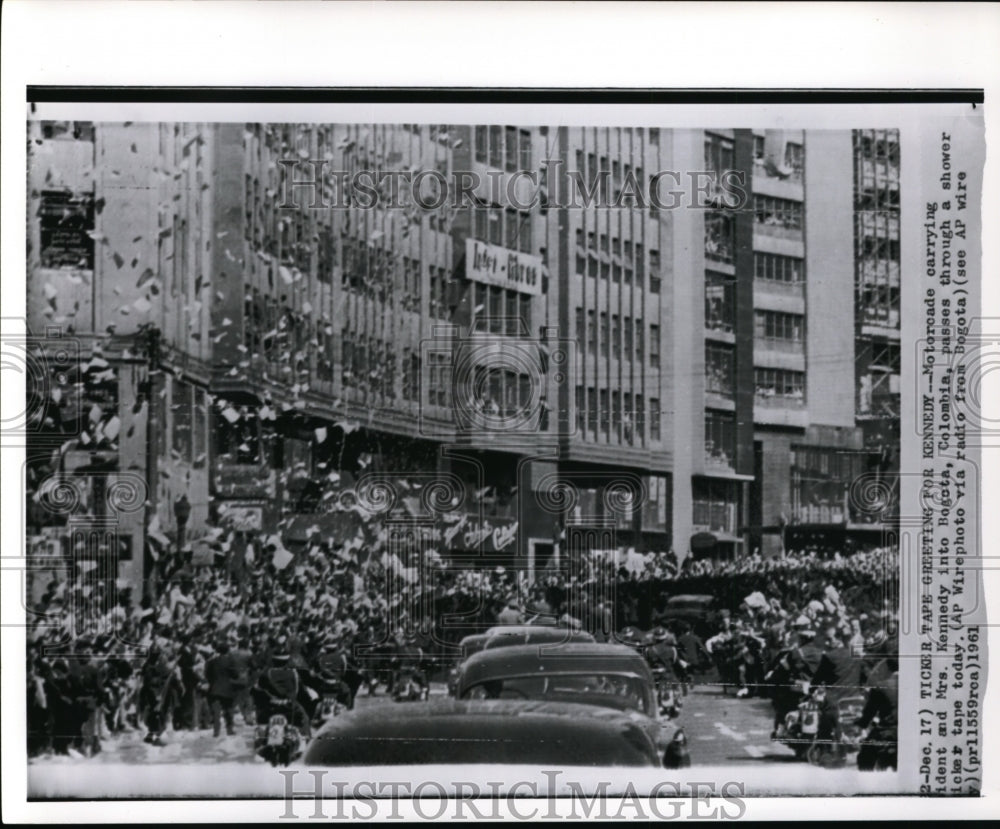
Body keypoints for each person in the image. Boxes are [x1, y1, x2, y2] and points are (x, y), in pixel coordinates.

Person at [205, 639, 239, 737]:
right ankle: (229, 729)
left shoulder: (212, 661)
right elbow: (235, 675)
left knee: (216, 712)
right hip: (227, 688)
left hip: (214, 688)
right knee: (228, 710)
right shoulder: (230, 661)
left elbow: (207, 674)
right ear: (228, 650)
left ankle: (216, 731)